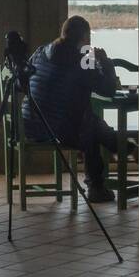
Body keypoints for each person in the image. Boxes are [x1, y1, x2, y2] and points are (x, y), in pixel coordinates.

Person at [21, 15, 126, 203]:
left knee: (90, 123)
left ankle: (122, 152)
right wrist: (105, 61)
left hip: (29, 125)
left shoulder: (40, 52)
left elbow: (25, 80)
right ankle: (124, 153)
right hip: (56, 129)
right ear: (84, 38)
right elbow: (109, 91)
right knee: (90, 127)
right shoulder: (81, 60)